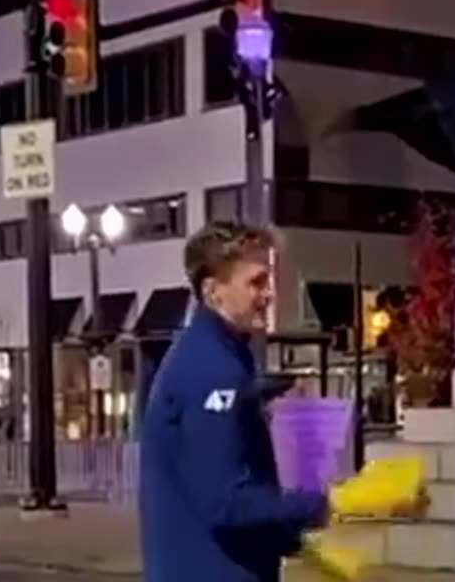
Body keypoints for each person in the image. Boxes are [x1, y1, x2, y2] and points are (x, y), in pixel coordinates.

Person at [139, 221, 330, 582]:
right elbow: (225, 500)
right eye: (256, 282)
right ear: (214, 292)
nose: (269, 294)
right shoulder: (212, 369)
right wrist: (320, 504)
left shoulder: (220, 355)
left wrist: (290, 541)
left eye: (268, 280)